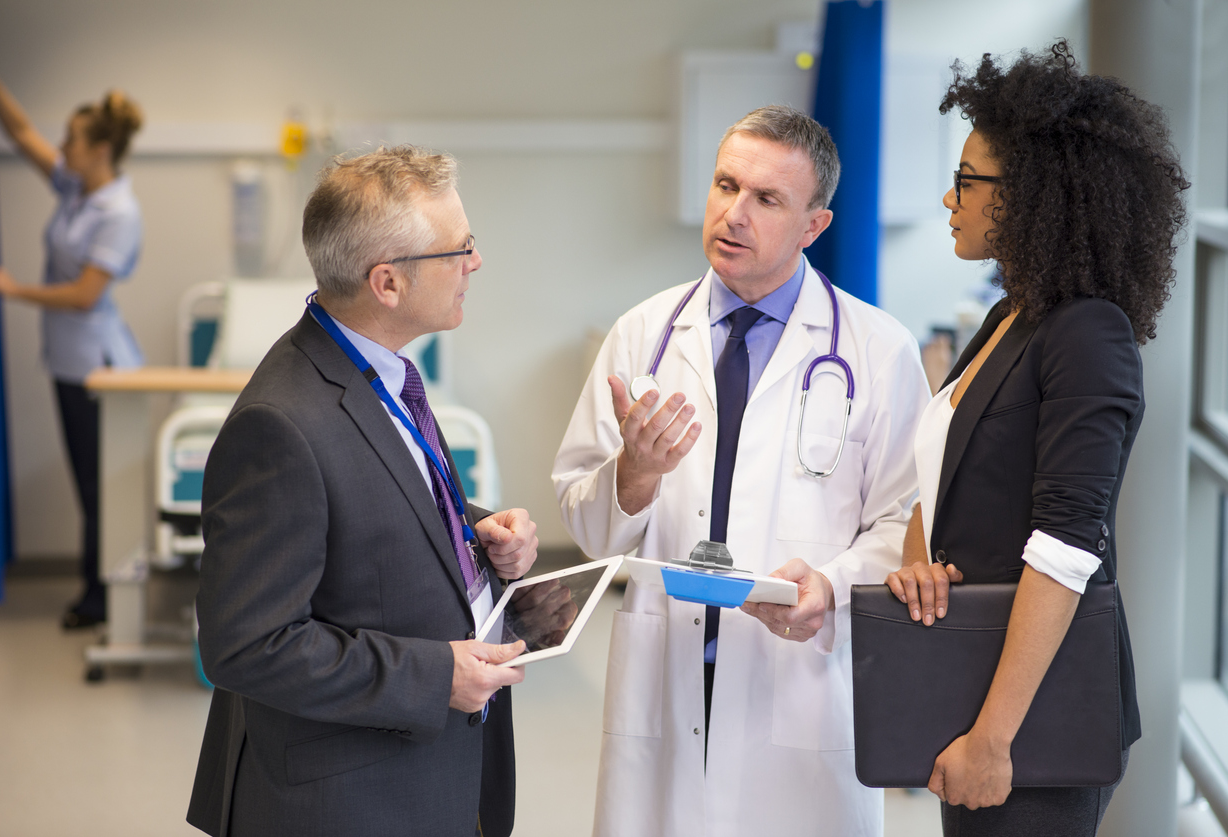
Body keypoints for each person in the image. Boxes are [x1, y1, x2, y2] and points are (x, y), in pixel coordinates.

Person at [552, 105, 930, 836]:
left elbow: (905, 523)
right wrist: (634, 474)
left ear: (813, 226)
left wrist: (830, 584)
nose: (734, 213)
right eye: (726, 185)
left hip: (799, 678)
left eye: (766, 199)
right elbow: (584, 516)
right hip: (669, 668)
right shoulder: (643, 335)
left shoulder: (878, 350)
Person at [186, 146, 540, 837]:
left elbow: (374, 493)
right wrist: (432, 674)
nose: (475, 262)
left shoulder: (377, 369)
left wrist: (474, 529)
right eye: (459, 249)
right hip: (343, 800)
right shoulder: (280, 423)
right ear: (388, 283)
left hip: (421, 776)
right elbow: (245, 644)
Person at [884, 42, 1189, 837]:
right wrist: (918, 559)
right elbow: (947, 476)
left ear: (1025, 197)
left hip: (1031, 716)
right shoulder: (1011, 316)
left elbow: (1064, 546)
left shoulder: (1089, 331)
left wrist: (994, 737)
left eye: (966, 182)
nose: (951, 201)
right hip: (975, 681)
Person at [0, 31, 144, 629]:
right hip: (69, 360)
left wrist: (12, 288)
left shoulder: (118, 213)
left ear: (98, 148)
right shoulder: (78, 188)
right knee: (89, 483)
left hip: (99, 364)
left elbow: (83, 294)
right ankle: (98, 593)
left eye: (71, 138)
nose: (61, 145)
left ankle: (101, 598)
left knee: (100, 488)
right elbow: (21, 135)